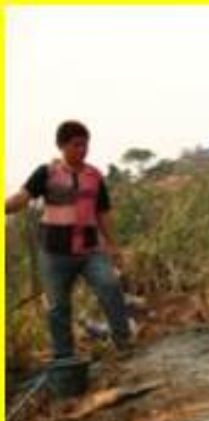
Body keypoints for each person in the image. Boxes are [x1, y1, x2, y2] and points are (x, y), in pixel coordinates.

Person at [5, 120, 133, 360]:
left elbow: (103, 212)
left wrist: (114, 246)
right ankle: (65, 359)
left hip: (89, 250)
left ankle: (123, 343)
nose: (83, 150)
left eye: (85, 145)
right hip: (54, 254)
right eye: (76, 145)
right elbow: (22, 198)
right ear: (61, 146)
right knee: (58, 309)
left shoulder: (94, 176)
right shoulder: (46, 173)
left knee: (110, 286)